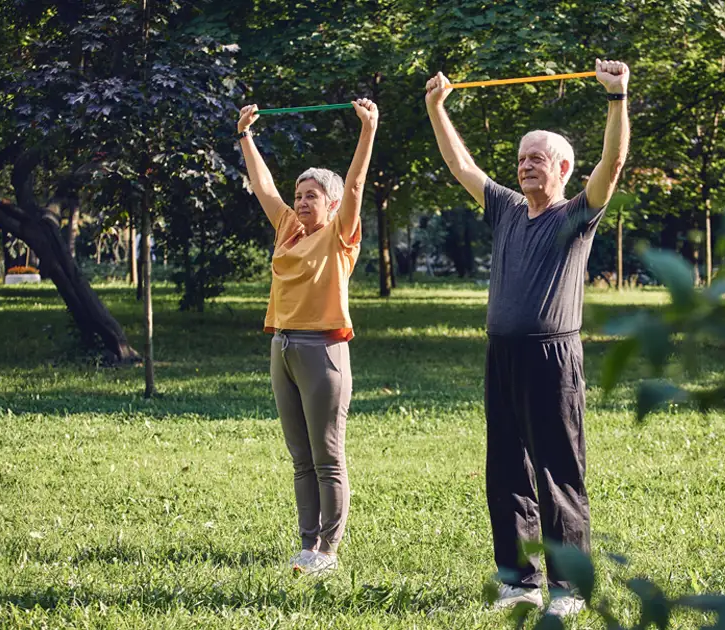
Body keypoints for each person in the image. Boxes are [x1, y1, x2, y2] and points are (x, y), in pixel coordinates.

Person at [424, 59, 630, 617]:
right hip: (503, 354)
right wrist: (437, 109)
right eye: (521, 159)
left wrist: (616, 99)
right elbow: (461, 165)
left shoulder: (576, 215)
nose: (526, 167)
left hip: (553, 356)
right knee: (506, 469)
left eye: (537, 158)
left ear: (563, 167)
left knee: (558, 471)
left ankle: (569, 588)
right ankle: (520, 581)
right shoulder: (509, 209)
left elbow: (611, 167)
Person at [236, 98, 379, 576]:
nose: (300, 201)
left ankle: (329, 550)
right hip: (282, 347)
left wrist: (368, 129)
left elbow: (356, 182)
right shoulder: (287, 229)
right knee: (300, 457)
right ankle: (307, 544)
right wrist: (245, 137)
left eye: (312, 194)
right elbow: (262, 185)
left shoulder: (340, 233)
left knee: (326, 455)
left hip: (323, 350)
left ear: (332, 204)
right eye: (299, 194)